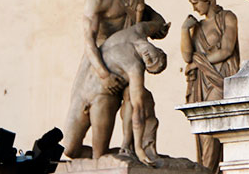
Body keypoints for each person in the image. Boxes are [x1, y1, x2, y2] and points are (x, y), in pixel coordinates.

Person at [64, 12, 170, 165]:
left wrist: (139, 147)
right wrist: (161, 26)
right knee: (69, 149)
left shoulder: (135, 68)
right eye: (155, 58)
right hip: (83, 89)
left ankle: (126, 154)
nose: (148, 57)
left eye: (150, 63)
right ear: (159, 50)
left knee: (98, 156)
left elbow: (137, 108)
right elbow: (159, 22)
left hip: (102, 97)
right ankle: (122, 154)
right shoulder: (139, 29)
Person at [181, 0, 240, 174]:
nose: (195, 8)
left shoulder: (227, 18)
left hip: (219, 79)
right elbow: (187, 56)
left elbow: (226, 50)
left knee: (212, 127)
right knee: (202, 132)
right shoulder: (197, 27)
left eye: (196, 2)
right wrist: (184, 30)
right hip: (200, 83)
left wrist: (199, 62)